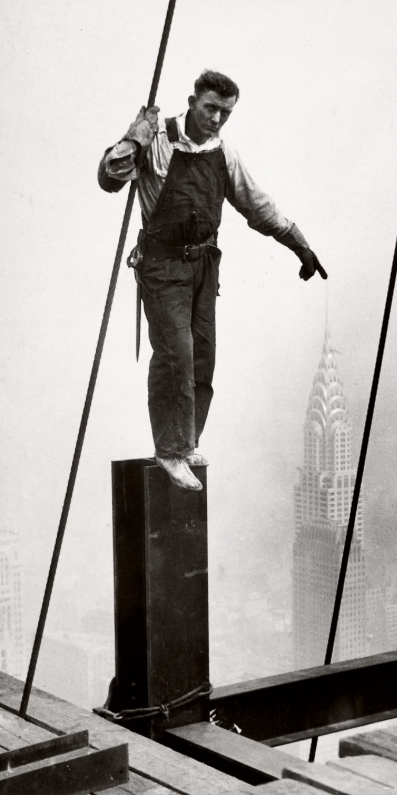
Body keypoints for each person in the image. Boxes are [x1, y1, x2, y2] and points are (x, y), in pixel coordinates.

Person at [99, 70, 326, 491]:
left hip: (203, 268)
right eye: (210, 108)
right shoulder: (160, 142)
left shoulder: (224, 154)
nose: (217, 119)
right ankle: (169, 450)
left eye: (226, 112)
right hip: (163, 267)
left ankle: (186, 443)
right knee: (176, 358)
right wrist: (133, 140)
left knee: (202, 357)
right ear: (191, 102)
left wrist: (300, 245)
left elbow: (258, 207)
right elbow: (109, 180)